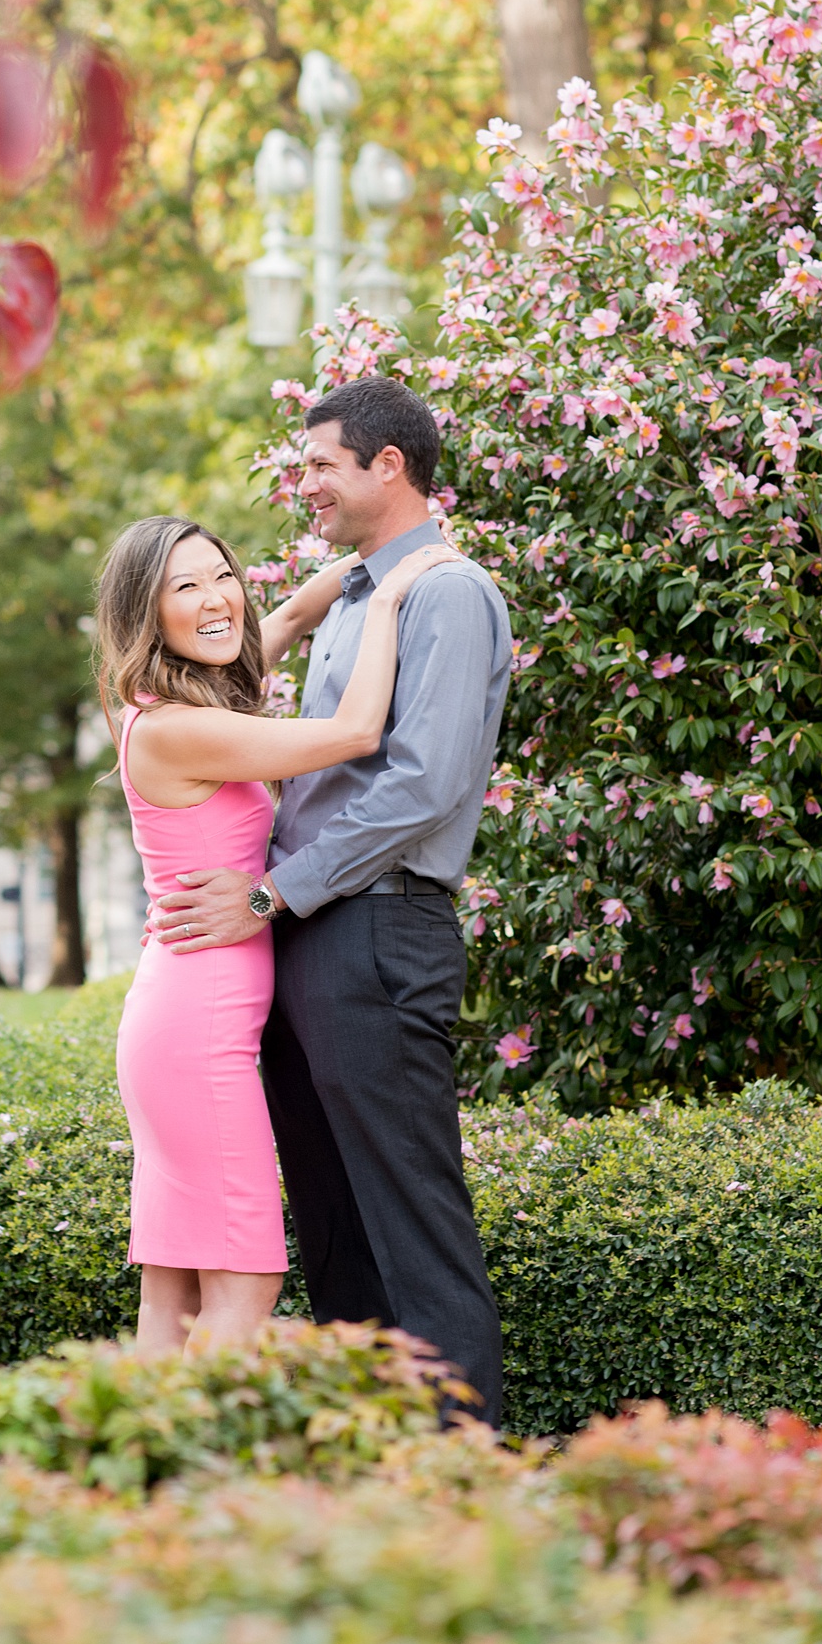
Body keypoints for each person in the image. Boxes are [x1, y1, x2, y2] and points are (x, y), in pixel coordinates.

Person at [151, 378, 510, 1426]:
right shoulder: (358, 594)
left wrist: (267, 892)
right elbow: (222, 705)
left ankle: (458, 1472)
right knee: (334, 1221)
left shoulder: (445, 593)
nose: (299, 484)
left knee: (408, 1221)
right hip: (312, 935)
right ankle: (377, 1460)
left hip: (379, 930)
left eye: (317, 466)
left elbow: (421, 785)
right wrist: (310, 597)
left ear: (385, 467)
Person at [94, 512, 450, 1355]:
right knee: (246, 1281)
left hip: (175, 1025)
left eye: (223, 574)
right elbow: (356, 733)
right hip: (198, 1037)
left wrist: (372, 559)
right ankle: (202, 1478)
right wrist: (394, 597)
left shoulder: (173, 707)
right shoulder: (182, 728)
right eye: (185, 586)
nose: (216, 598)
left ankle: (131, 1479)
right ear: (146, 611)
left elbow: (283, 618)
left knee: (173, 1296)